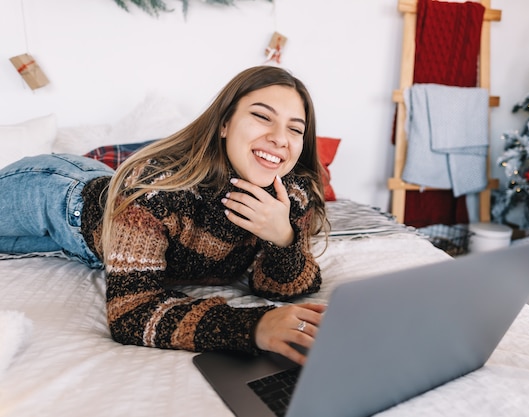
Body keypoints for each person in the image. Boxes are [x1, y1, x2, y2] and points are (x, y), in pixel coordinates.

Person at [0, 65, 328, 366]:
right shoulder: (157, 190)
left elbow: (282, 286)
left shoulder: (291, 192)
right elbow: (131, 311)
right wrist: (254, 325)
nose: (280, 138)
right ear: (225, 123)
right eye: (262, 116)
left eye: (295, 129)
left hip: (91, 238)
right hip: (56, 195)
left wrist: (283, 237)